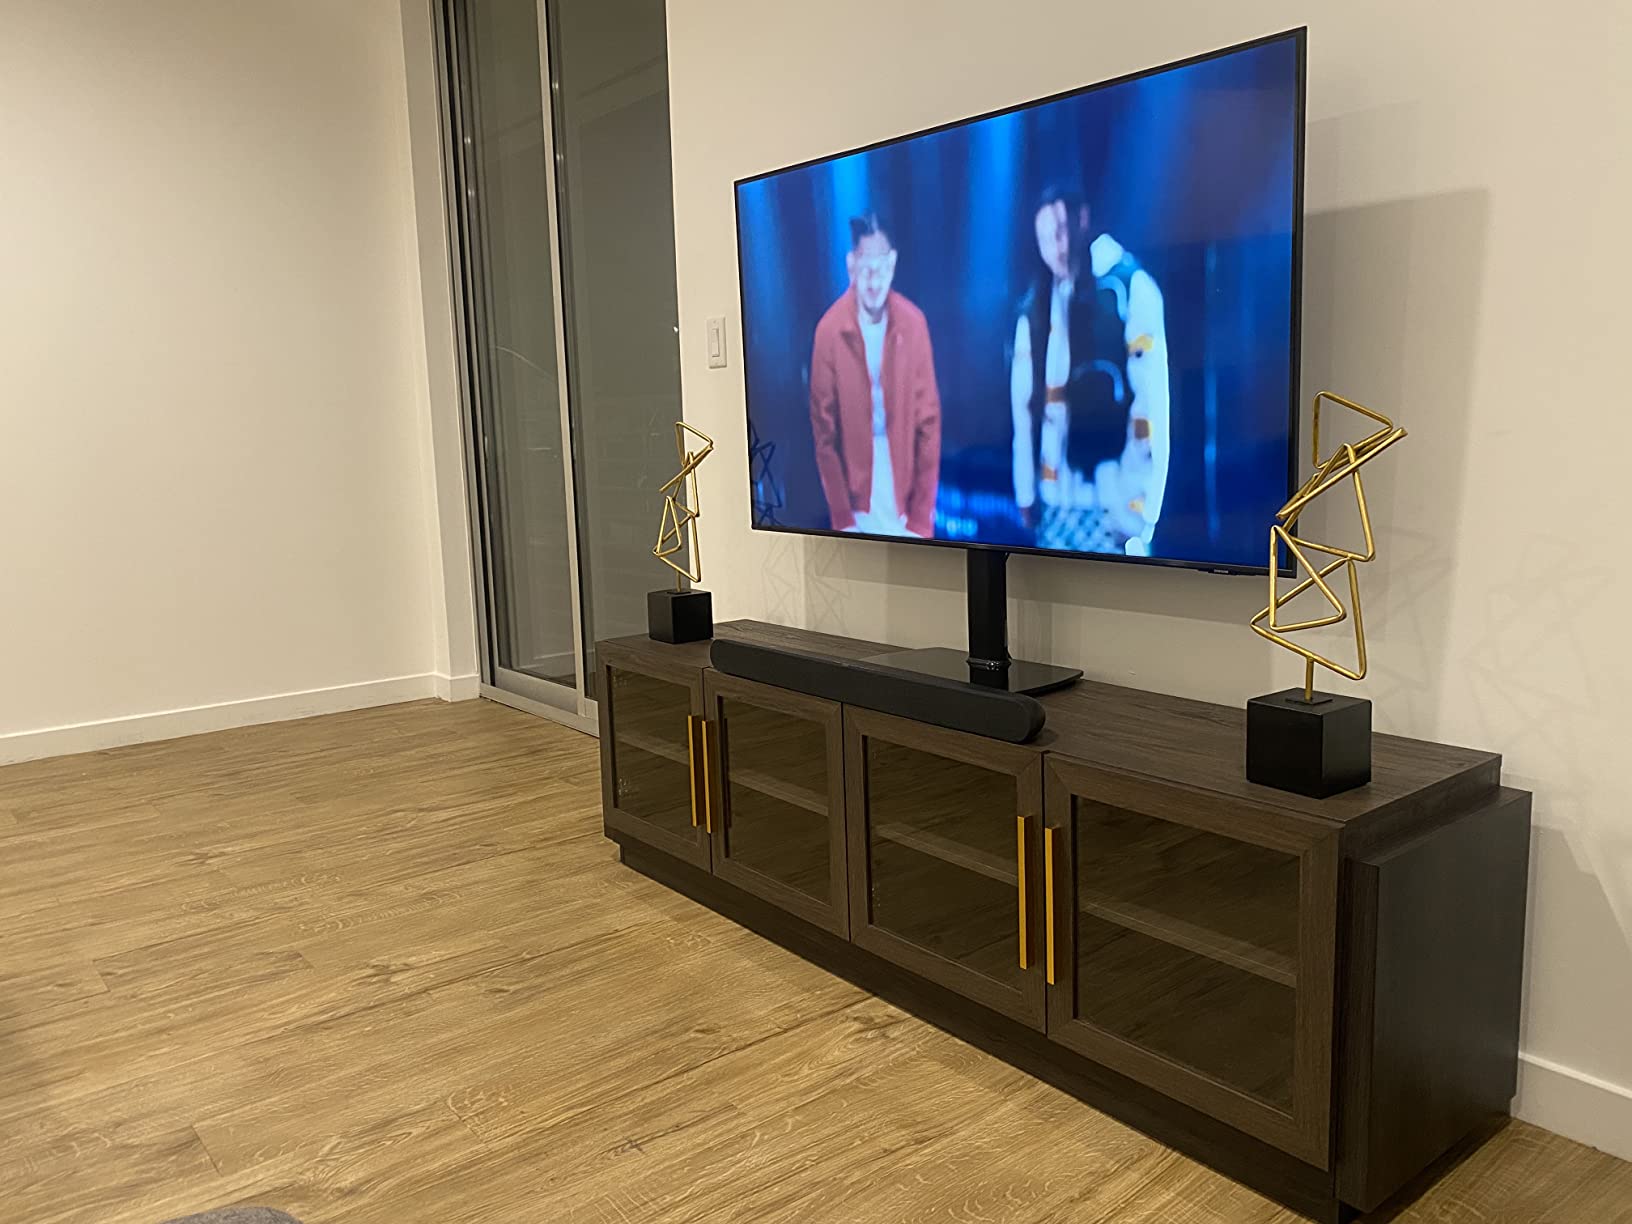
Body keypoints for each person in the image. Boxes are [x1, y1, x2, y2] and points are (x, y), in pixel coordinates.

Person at [1009, 186, 1169, 555]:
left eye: (1060, 233)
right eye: (1045, 239)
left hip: (1114, 503)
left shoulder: (1128, 287)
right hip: (1053, 503)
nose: (1056, 248)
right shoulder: (1036, 305)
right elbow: (1023, 407)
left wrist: (1141, 508)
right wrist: (1026, 491)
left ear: (1082, 220)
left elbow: (1151, 405)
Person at [809, 213, 942, 538]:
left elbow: (929, 423)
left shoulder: (913, 324)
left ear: (892, 264)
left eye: (881, 268)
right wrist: (842, 517)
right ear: (851, 265)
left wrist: (921, 517)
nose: (873, 281)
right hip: (855, 502)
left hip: (906, 497)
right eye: (866, 269)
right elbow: (824, 435)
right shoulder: (829, 330)